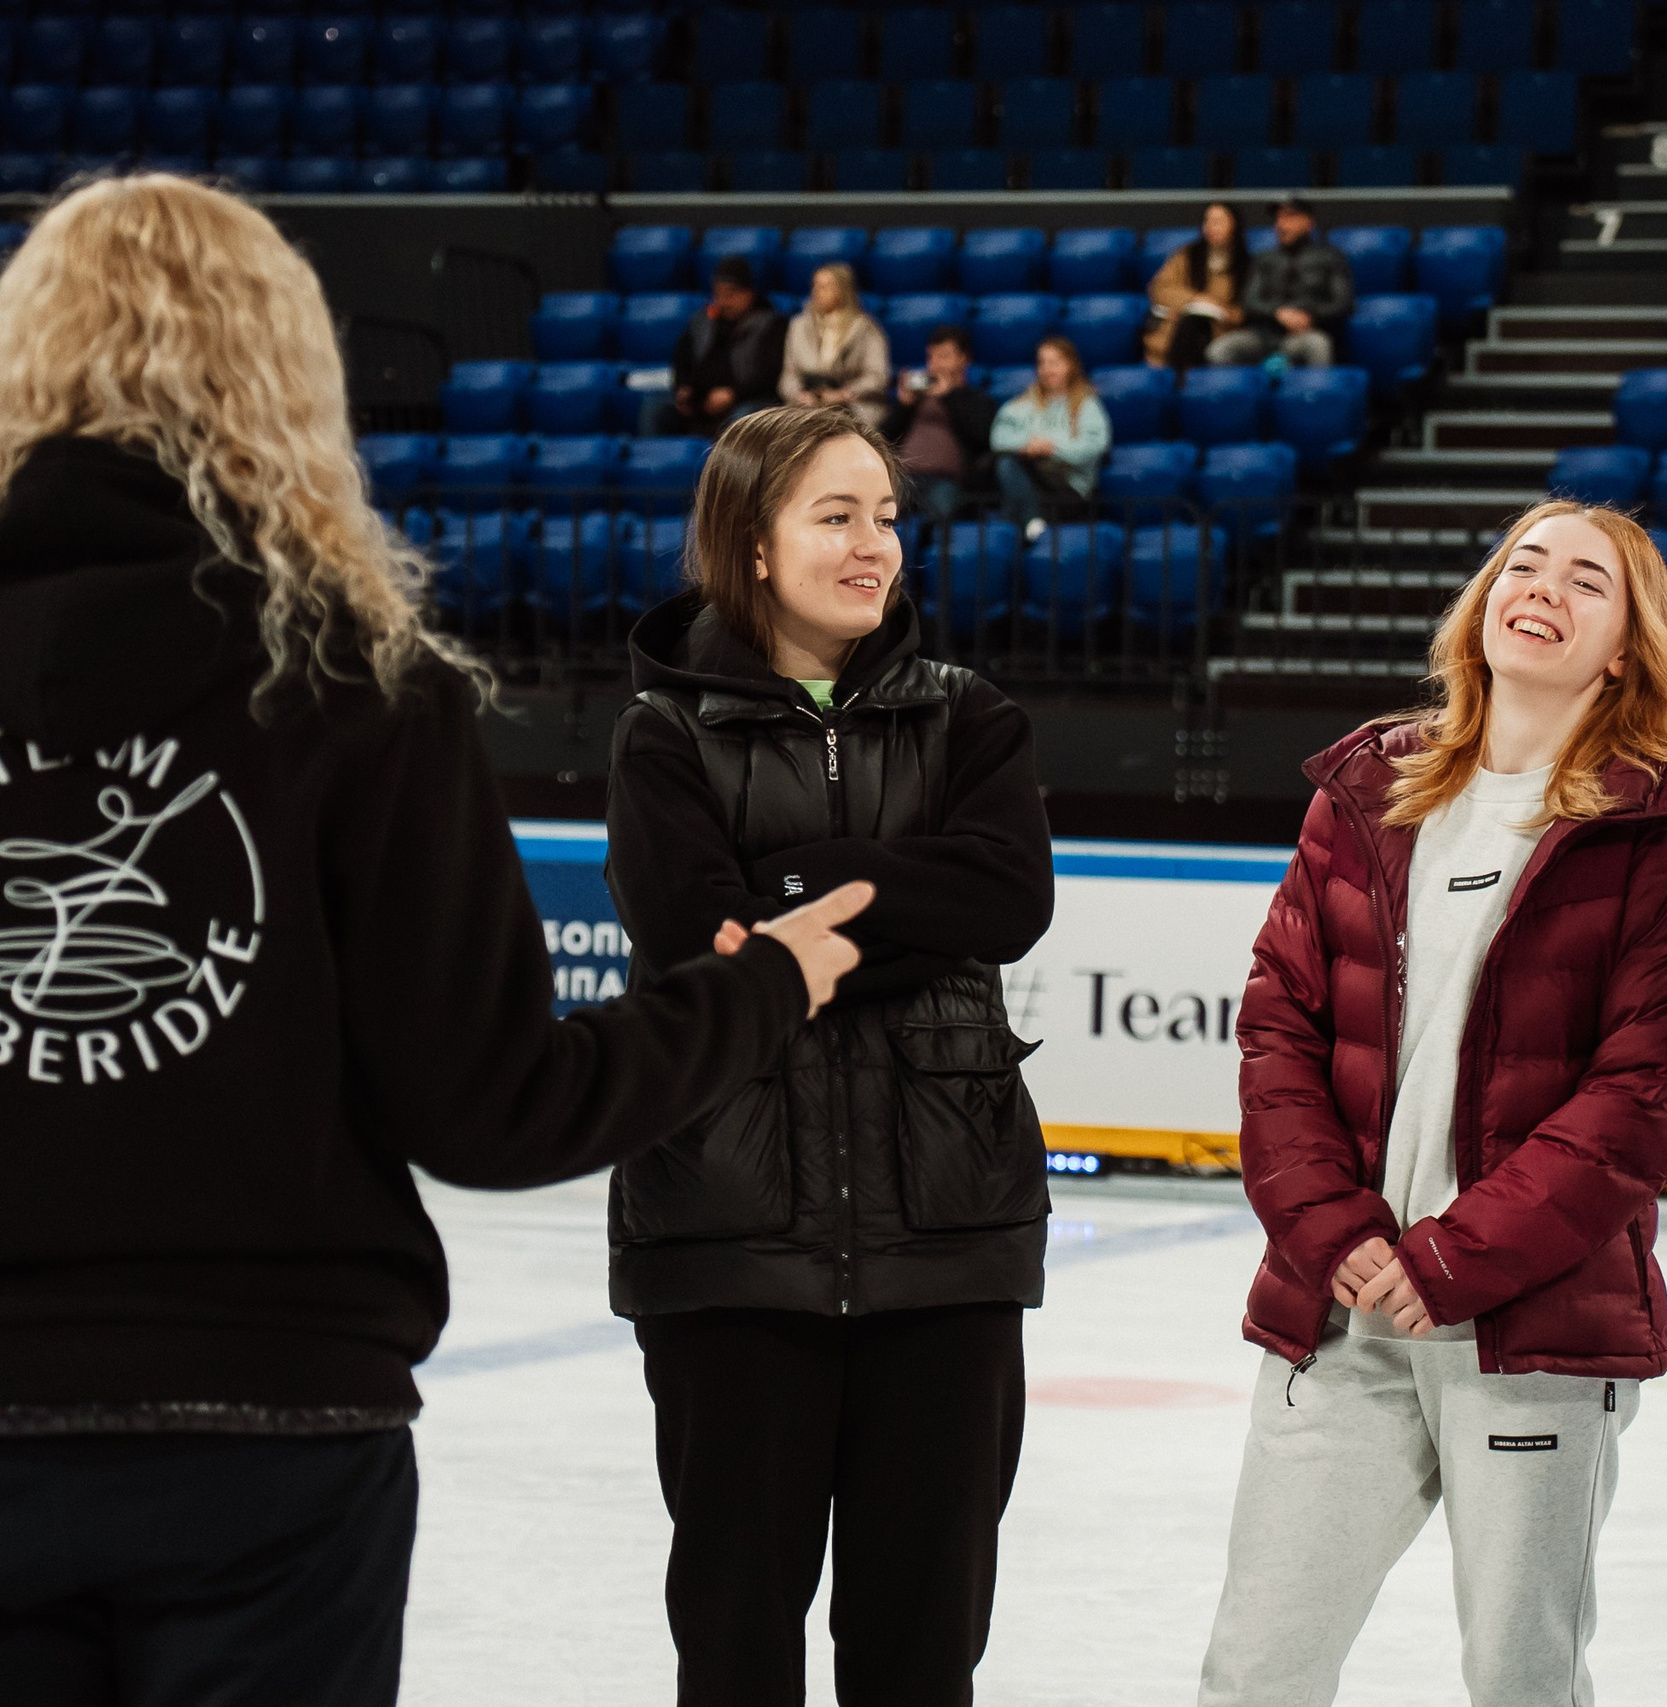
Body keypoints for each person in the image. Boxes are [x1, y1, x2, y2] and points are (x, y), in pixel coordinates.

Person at [0, 174, 874, 1706]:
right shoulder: (345, 676)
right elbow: (492, 1101)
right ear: (281, 368)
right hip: (269, 1439)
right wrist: (757, 987)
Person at [1198, 500, 1667, 1707]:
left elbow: (1646, 1091)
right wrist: (1336, 1235)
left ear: (1626, 644)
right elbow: (1278, 1023)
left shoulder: (1657, 819)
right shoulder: (1364, 785)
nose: (1541, 587)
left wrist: (1450, 1260)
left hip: (1529, 1327)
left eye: (1587, 581)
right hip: (1341, 1316)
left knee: (1519, 1678)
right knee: (1256, 1669)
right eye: (1523, 563)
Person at [606, 403, 1056, 1706]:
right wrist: (907, 895)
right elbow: (705, 935)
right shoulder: (662, 735)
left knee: (922, 1648)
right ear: (752, 540)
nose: (877, 545)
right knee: (737, 1640)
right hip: (729, 1239)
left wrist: (811, 882)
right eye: (839, 514)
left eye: (890, 518)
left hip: (949, 1242)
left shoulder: (973, 719)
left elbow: (1007, 901)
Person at [989, 334, 1111, 543]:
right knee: (1006, 464)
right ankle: (1032, 523)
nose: (1047, 369)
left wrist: (1052, 448)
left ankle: (1024, 526)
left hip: (1068, 488)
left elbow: (1095, 445)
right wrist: (1027, 445)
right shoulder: (1024, 403)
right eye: (1042, 362)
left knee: (1011, 499)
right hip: (1030, 479)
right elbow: (999, 437)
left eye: (1054, 362)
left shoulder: (1087, 404)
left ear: (1071, 365)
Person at [1209, 194, 1353, 369]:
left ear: (1308, 222)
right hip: (1264, 335)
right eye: (1278, 218)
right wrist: (1278, 313)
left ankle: (1311, 394)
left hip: (1307, 334)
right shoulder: (1264, 258)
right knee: (1220, 349)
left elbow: (1343, 302)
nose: (1281, 225)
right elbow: (1249, 301)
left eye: (1289, 217)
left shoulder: (1330, 257)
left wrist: (1311, 315)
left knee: (1318, 345)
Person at [655, 253, 787, 436]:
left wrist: (733, 394)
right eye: (718, 294)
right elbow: (681, 357)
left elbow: (770, 372)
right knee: (657, 409)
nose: (723, 301)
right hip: (700, 402)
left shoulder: (770, 324)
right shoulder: (702, 319)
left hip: (745, 400)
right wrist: (683, 388)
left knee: (743, 418)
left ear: (748, 293)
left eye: (730, 294)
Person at [879, 323, 996, 525]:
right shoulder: (916, 399)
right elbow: (883, 438)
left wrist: (949, 397)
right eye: (931, 357)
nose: (935, 364)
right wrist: (904, 406)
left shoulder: (976, 399)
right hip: (904, 478)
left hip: (947, 482)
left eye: (944, 356)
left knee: (940, 517)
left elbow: (981, 438)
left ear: (963, 359)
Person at [779, 260, 890, 426]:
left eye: (824, 287)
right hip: (805, 406)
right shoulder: (798, 326)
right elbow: (789, 374)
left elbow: (877, 377)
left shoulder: (866, 328)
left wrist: (843, 394)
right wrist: (798, 395)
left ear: (842, 290)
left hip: (852, 405)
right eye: (815, 286)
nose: (816, 292)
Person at [1146, 200, 1250, 371]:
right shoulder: (1187, 256)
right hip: (1178, 328)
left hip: (1221, 333)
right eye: (1207, 221)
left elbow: (1246, 310)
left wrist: (1222, 311)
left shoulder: (1246, 264)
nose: (1211, 227)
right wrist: (1195, 300)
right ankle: (1177, 377)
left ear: (1234, 226)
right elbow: (1160, 287)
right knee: (1191, 323)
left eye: (1218, 222)